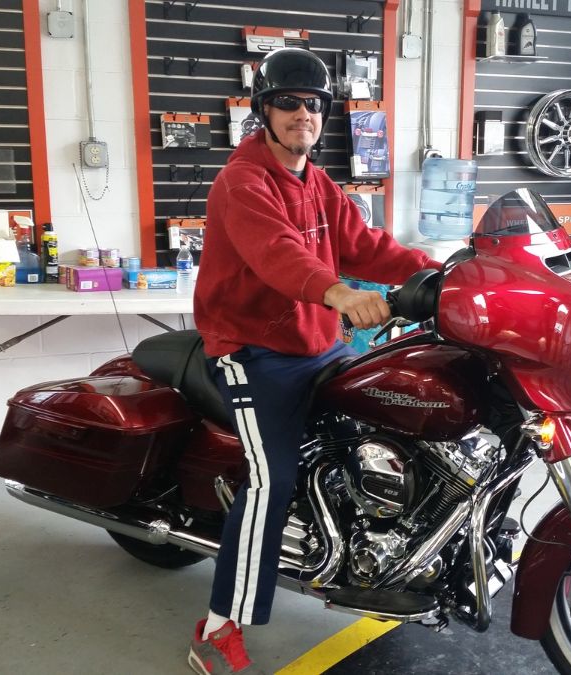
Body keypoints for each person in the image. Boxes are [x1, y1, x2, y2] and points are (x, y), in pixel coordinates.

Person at [186, 48, 440, 675]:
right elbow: (277, 254)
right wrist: (339, 293)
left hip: (319, 344)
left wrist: (444, 272)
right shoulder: (242, 181)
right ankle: (218, 626)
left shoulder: (317, 182)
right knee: (270, 480)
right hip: (253, 351)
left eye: (314, 104)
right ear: (264, 110)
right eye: (288, 102)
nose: (303, 113)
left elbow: (367, 245)